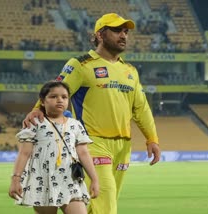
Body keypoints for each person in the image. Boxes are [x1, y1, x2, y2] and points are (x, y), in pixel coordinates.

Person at [23, 13, 160, 214]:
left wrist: (152, 138)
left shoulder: (130, 70)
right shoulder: (81, 65)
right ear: (100, 34)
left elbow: (141, 107)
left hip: (123, 147)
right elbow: (57, 89)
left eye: (125, 31)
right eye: (116, 30)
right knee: (107, 203)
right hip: (92, 143)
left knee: (97, 203)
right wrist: (37, 109)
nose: (123, 35)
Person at [9, 81, 99, 214]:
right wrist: (16, 180)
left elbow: (83, 153)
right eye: (53, 97)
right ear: (43, 101)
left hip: (70, 180)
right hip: (42, 182)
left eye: (64, 97)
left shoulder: (75, 125)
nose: (59, 100)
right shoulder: (35, 124)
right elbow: (24, 154)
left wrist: (95, 180)